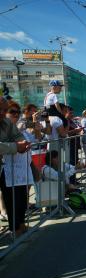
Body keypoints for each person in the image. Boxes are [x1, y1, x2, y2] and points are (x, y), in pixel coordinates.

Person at [0, 97, 31, 236]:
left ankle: (18, 226)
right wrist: (15, 147)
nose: (3, 112)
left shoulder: (5, 122)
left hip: (7, 167)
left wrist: (23, 143)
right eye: (2, 110)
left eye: (5, 110)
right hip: (6, 164)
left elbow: (17, 135)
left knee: (17, 196)